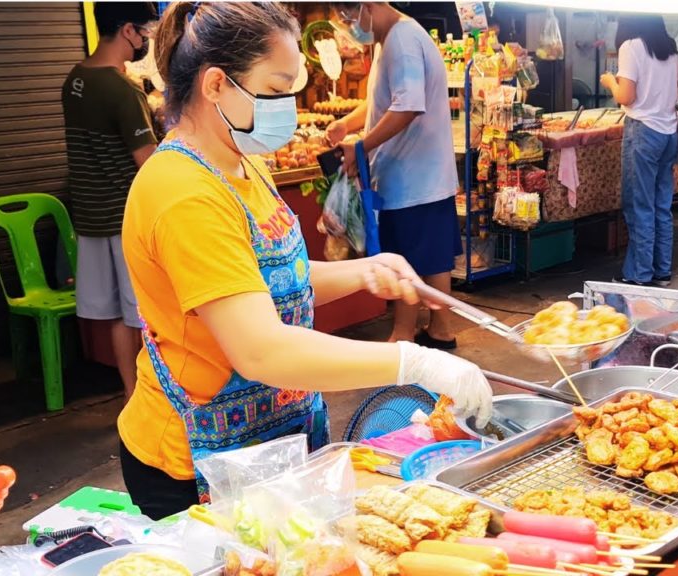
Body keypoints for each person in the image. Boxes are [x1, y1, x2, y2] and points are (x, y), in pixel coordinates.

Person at [118, 1, 493, 520]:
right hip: (195, 464)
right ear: (215, 85)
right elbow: (261, 350)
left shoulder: (243, 164)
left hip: (275, 439)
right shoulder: (183, 192)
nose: (287, 107)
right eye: (274, 91)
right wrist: (416, 360)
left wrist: (366, 271)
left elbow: (266, 281)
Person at [326, 2, 462, 349]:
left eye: (346, 15)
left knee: (407, 259)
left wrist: (362, 148)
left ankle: (403, 336)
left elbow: (408, 105)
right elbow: (384, 103)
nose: (348, 24)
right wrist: (348, 124)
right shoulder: (392, 40)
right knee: (432, 257)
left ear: (367, 6)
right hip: (419, 176)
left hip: (414, 175)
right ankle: (439, 328)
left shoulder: (401, 39)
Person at [61, 2, 159, 399]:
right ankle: (147, 398)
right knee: (144, 314)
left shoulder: (74, 79)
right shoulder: (121, 89)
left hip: (90, 218)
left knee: (122, 316)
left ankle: (131, 394)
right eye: (144, 31)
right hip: (125, 219)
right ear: (127, 30)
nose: (146, 40)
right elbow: (148, 164)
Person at [601, 15, 678, 287]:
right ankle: (662, 272)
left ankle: (639, 275)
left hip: (643, 131)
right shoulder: (671, 49)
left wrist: (610, 82)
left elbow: (626, 96)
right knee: (661, 206)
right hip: (669, 133)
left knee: (640, 206)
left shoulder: (631, 47)